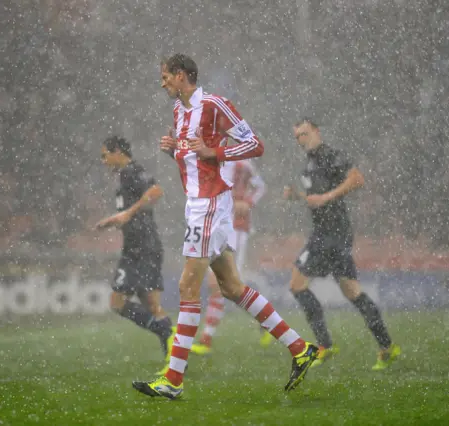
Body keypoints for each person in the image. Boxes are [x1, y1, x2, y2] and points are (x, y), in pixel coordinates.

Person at [132, 54, 318, 400]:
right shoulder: (178, 112)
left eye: (166, 77)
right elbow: (191, 158)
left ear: (183, 75)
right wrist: (174, 150)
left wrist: (216, 150)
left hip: (211, 204)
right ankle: (299, 348)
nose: (163, 84)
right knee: (232, 287)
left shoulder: (216, 105)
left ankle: (173, 380)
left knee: (189, 285)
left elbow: (255, 145)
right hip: (196, 205)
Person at [283, 118, 400, 370]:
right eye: (297, 137)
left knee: (297, 284)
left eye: (304, 134)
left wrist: (327, 197)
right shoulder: (310, 163)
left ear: (317, 131)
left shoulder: (329, 155)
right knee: (352, 291)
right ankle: (387, 347)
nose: (301, 140)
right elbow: (318, 198)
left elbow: (357, 179)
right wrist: (298, 197)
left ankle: (325, 345)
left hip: (329, 234)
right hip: (332, 233)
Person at [94, 136, 175, 366]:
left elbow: (156, 191)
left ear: (117, 151)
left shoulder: (132, 171)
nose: (103, 161)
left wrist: (128, 214)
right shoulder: (123, 177)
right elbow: (130, 212)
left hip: (145, 248)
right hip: (135, 248)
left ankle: (173, 357)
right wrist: (114, 220)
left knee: (123, 302)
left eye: (104, 155)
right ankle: (168, 339)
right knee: (144, 304)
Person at [190, 159, 268, 354]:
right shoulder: (210, 155)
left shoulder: (242, 160)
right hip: (216, 226)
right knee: (226, 285)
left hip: (236, 228)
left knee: (224, 284)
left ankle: (206, 340)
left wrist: (247, 202)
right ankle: (266, 321)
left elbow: (260, 186)